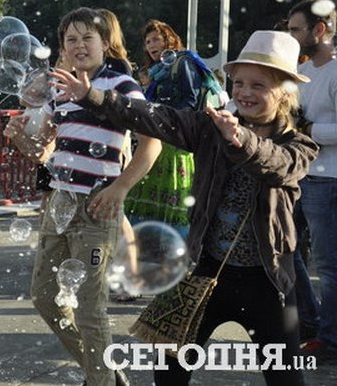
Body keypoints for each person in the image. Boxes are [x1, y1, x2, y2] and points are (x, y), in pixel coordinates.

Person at [51, 29, 317, 385]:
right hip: (206, 269)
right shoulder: (210, 126)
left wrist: (239, 139)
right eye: (239, 83)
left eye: (258, 85)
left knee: (286, 377)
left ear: (284, 93)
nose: (245, 93)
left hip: (268, 280)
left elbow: (277, 165)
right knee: (168, 368)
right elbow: (155, 116)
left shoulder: (299, 144)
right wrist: (95, 97)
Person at [5, 7, 162, 386]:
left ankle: (101, 379)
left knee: (90, 307)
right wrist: (19, 137)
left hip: (97, 204)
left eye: (86, 38)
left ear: (104, 44)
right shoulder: (60, 89)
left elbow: (152, 143)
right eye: (70, 40)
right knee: (44, 296)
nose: (79, 46)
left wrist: (120, 186)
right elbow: (42, 152)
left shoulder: (121, 85)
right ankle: (104, 371)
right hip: (60, 202)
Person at [288, 0, 337, 361]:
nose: (290, 36)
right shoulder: (305, 72)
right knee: (285, 251)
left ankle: (330, 339)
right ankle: (310, 320)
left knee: (328, 264)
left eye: (295, 29)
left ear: (319, 30)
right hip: (302, 175)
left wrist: (308, 128)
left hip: (329, 180)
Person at [123, 19, 202, 238]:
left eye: (156, 39)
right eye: (147, 41)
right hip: (157, 140)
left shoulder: (184, 61)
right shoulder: (157, 72)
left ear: (169, 39)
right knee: (148, 199)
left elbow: (191, 100)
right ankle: (146, 250)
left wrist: (164, 118)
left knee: (172, 200)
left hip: (175, 142)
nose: (151, 45)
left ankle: (172, 249)